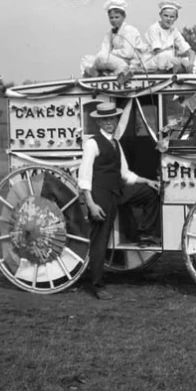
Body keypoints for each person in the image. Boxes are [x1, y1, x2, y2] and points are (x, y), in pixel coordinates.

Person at [78, 102, 162, 300]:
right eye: (105, 120)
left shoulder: (116, 143)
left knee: (149, 193)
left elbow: (125, 174)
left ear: (116, 120)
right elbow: (84, 177)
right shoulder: (92, 143)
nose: (109, 123)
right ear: (99, 121)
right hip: (101, 196)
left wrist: (148, 181)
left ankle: (146, 235)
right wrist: (91, 204)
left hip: (117, 191)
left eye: (112, 119)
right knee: (100, 239)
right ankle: (97, 285)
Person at [82, 0, 146, 76]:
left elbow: (128, 53)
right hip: (115, 59)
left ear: (124, 16)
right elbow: (104, 50)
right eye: (111, 18)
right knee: (86, 59)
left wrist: (111, 53)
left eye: (116, 17)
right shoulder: (109, 33)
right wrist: (104, 56)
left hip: (130, 62)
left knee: (103, 58)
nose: (114, 20)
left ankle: (114, 73)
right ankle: (101, 72)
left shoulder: (129, 30)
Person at [141, 1, 196, 73]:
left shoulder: (174, 31)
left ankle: (185, 69)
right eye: (165, 16)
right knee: (166, 55)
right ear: (160, 15)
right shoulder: (154, 28)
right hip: (152, 61)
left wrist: (190, 63)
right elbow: (158, 51)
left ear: (176, 18)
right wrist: (182, 61)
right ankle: (180, 69)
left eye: (172, 17)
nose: (168, 19)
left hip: (171, 60)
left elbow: (191, 52)